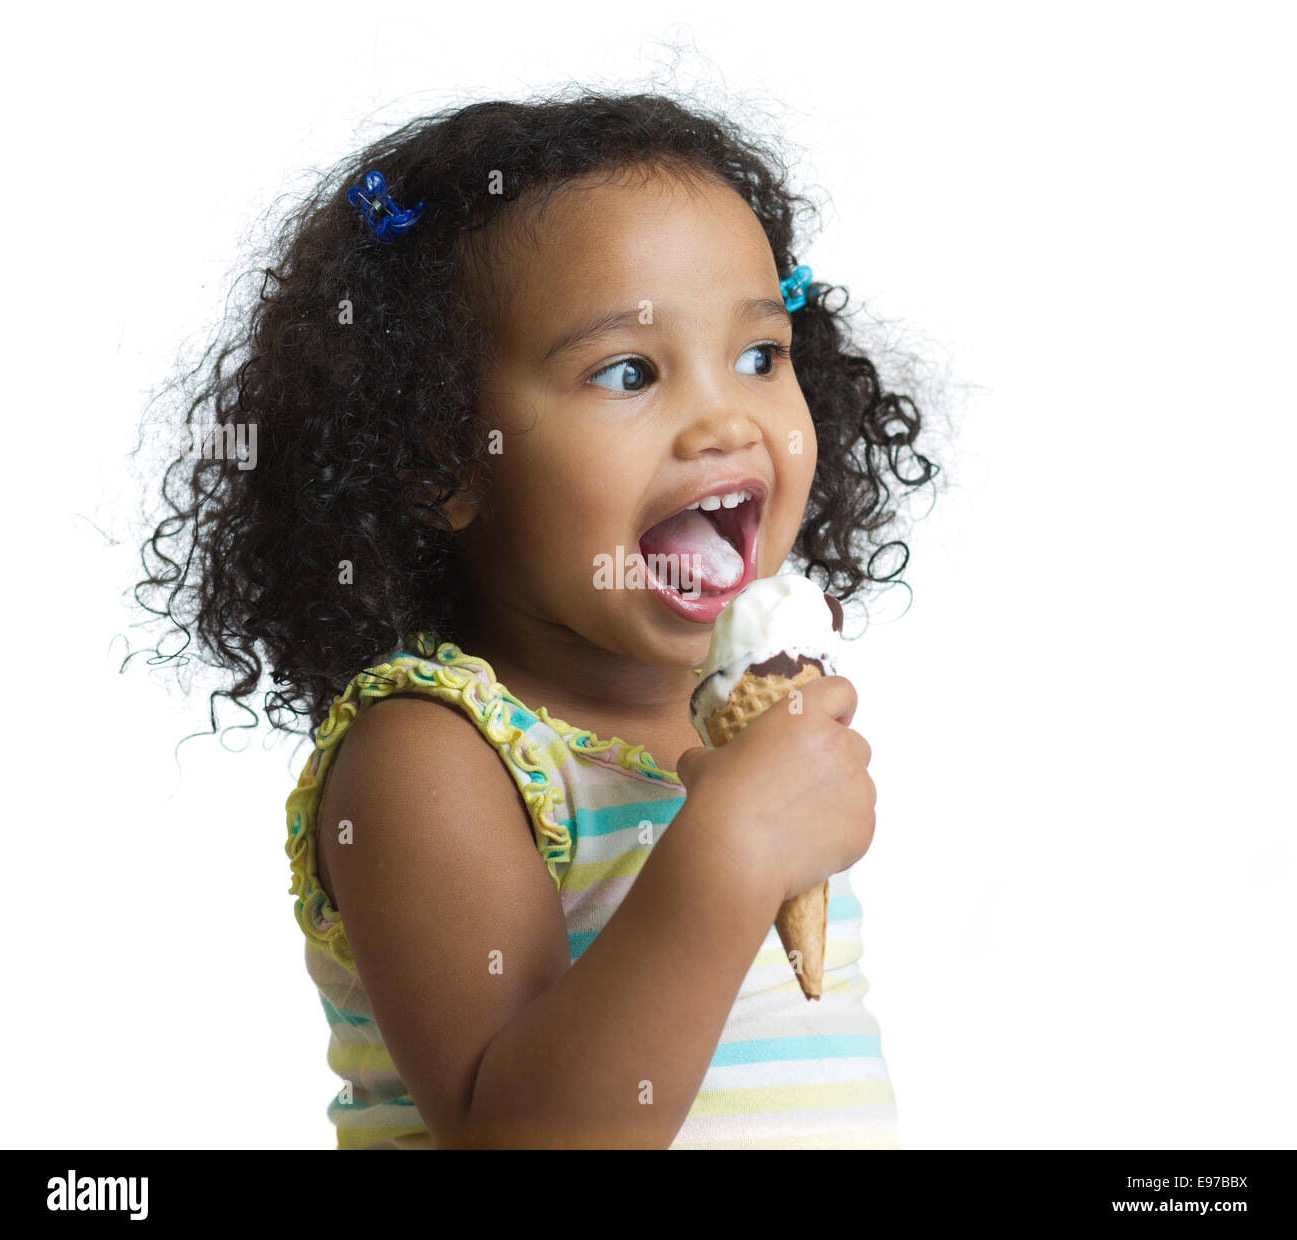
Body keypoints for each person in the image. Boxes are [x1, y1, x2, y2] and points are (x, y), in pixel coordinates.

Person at [136, 89, 940, 1149]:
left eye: (761, 355)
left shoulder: (744, 732)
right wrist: (728, 856)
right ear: (441, 459)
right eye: (626, 371)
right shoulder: (432, 754)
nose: (725, 417)